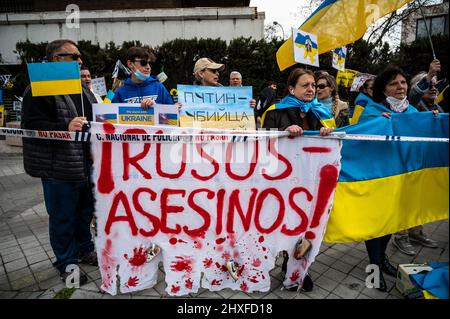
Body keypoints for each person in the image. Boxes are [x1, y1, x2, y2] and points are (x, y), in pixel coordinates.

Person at [21, 39, 98, 286]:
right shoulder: (38, 88)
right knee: (62, 216)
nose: (80, 61)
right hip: (58, 167)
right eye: (73, 57)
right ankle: (66, 262)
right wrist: (64, 127)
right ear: (57, 59)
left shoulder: (83, 90)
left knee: (85, 211)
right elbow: (31, 125)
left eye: (79, 57)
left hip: (84, 164)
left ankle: (84, 249)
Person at [261, 68, 334, 292]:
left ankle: (298, 266)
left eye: (313, 85)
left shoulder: (322, 112)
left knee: (306, 223)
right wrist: (284, 132)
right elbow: (264, 145)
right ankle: (286, 263)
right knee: (288, 222)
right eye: (305, 85)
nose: (311, 89)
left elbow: (336, 141)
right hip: (283, 181)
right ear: (292, 89)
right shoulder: (274, 111)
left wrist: (326, 133)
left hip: (311, 181)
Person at [358, 66, 420, 292]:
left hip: (401, 177)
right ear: (384, 88)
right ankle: (373, 266)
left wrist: (433, 119)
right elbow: (360, 135)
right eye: (394, 84)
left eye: (403, 83)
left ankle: (382, 257)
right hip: (378, 177)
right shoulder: (373, 111)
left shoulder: (413, 111)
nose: (400, 87)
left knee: (392, 221)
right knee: (376, 223)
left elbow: (424, 130)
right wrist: (377, 125)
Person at [390, 62, 442, 256]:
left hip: (424, 163)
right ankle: (400, 236)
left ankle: (416, 231)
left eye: (435, 84)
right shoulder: (411, 104)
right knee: (405, 200)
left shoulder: (436, 107)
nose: (433, 87)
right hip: (405, 162)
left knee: (419, 199)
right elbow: (413, 94)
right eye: (428, 84)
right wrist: (428, 75)